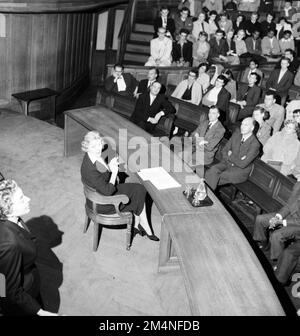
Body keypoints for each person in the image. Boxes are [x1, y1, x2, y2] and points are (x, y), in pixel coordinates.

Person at [80, 131, 159, 241]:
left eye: (99, 144)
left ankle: (138, 224)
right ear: (86, 146)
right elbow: (108, 191)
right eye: (94, 146)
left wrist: (112, 159)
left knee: (140, 189)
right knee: (138, 191)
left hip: (100, 192)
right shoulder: (90, 169)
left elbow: (108, 148)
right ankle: (142, 225)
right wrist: (114, 172)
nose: (98, 149)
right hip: (103, 203)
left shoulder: (92, 155)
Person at [0, 179, 59, 316]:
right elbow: (11, 291)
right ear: (7, 209)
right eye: (21, 199)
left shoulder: (13, 219)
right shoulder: (10, 245)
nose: (28, 198)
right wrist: (41, 312)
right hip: (24, 293)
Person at [205, 117, 261, 190]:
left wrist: (230, 155)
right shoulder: (236, 135)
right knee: (212, 170)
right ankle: (204, 193)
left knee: (216, 176)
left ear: (252, 128)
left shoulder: (255, 144)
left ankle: (204, 194)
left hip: (240, 171)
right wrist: (234, 158)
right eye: (242, 124)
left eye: (246, 125)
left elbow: (242, 164)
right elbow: (224, 150)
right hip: (226, 163)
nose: (242, 127)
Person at [253, 180, 300, 260]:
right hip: (290, 215)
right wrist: (278, 217)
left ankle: (278, 260)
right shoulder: (298, 185)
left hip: (297, 225)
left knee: (277, 235)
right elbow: (289, 205)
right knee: (260, 219)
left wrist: (282, 222)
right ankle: (262, 243)